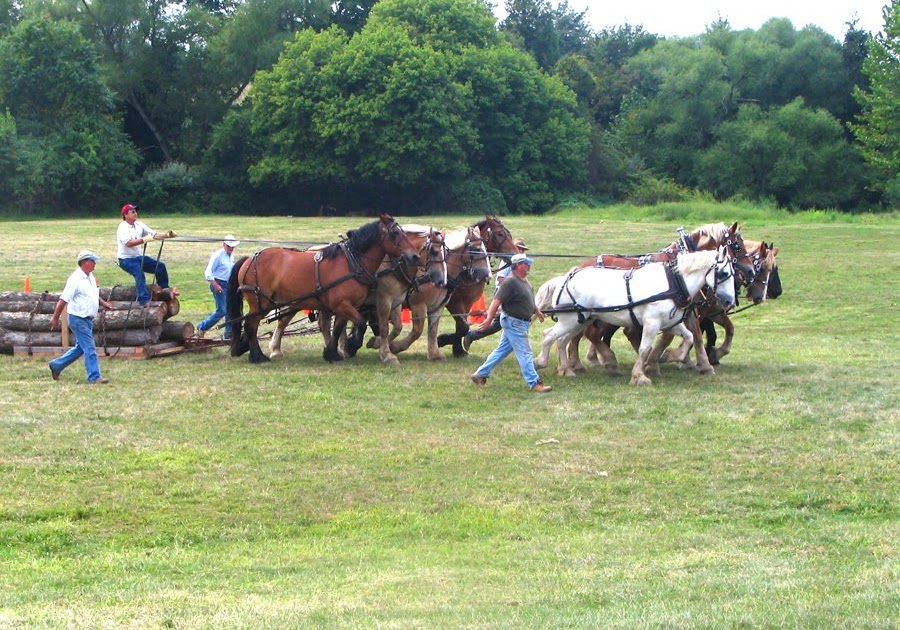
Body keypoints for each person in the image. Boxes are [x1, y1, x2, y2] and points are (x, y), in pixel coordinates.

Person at [470, 252, 551, 393]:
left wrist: (536, 310)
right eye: (526, 263)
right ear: (518, 265)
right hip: (514, 323)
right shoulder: (509, 282)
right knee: (525, 353)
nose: (529, 265)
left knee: (502, 350)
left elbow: (528, 300)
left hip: (519, 323)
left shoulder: (524, 281)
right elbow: (496, 302)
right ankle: (534, 383)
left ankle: (480, 374)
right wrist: (488, 320)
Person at [48, 250, 114, 384]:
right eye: (92, 261)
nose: (95, 263)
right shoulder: (75, 279)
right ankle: (94, 376)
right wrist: (55, 318)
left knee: (81, 348)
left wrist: (103, 303)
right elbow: (63, 299)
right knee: (89, 348)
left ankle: (56, 365)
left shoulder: (90, 276)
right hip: (78, 318)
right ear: (84, 262)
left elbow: (92, 295)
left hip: (86, 319)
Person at [462, 237, 529, 352]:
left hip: (513, 297)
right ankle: (472, 335)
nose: (521, 251)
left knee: (509, 322)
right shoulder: (509, 262)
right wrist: (514, 288)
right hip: (504, 295)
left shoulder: (521, 263)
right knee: (498, 324)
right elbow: (500, 279)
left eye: (523, 250)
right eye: (519, 249)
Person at [116, 203, 177, 306]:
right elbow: (129, 243)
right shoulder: (123, 227)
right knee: (139, 273)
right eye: (132, 212)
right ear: (125, 215)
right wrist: (144, 239)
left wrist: (167, 235)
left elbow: (154, 235)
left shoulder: (139, 225)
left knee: (160, 266)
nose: (135, 213)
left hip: (138, 257)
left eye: (135, 211)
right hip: (126, 259)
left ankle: (165, 291)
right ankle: (144, 301)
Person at [196, 234, 240, 339]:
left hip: (228, 284)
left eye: (232, 247)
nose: (231, 249)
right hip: (219, 283)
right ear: (224, 245)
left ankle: (229, 333)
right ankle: (202, 326)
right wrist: (215, 285)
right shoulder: (217, 256)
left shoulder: (231, 256)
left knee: (229, 310)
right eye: (229, 246)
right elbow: (208, 272)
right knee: (222, 310)